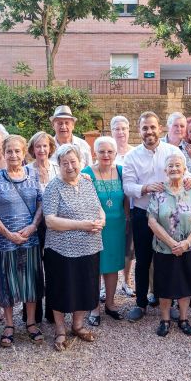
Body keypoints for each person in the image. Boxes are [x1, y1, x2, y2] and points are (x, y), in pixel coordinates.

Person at [123, 111, 191, 321]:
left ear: (160, 129)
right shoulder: (132, 156)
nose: (149, 131)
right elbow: (127, 186)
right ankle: (141, 303)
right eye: (145, 128)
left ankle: (168, 300)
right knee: (143, 259)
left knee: (167, 258)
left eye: (152, 127)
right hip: (143, 213)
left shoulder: (172, 151)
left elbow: (185, 172)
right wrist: (144, 188)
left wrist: (189, 179)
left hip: (170, 214)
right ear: (140, 131)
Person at [43, 144, 105, 350]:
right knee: (61, 288)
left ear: (80, 163)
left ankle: (78, 325)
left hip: (89, 247)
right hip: (62, 250)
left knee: (84, 287)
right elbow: (50, 221)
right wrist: (82, 225)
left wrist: (101, 221)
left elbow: (99, 209)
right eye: (64, 163)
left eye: (73, 162)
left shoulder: (88, 183)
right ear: (58, 165)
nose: (70, 167)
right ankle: (60, 330)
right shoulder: (54, 187)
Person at [0, 135, 44, 346]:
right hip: (6, 241)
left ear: (24, 152)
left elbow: (40, 204)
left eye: (17, 151)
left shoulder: (33, 174)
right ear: (3, 152)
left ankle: (30, 323)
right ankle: (9, 325)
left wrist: (33, 226)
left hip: (30, 238)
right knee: (7, 283)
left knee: (30, 281)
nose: (13, 155)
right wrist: (8, 234)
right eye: (9, 151)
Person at [147, 151, 191, 337]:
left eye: (177, 165)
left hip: (190, 247)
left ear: (184, 169)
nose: (174, 168)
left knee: (185, 283)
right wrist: (172, 243)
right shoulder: (158, 191)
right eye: (170, 166)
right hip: (165, 248)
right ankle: (164, 320)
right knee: (164, 285)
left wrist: (186, 243)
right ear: (165, 170)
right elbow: (152, 221)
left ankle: (183, 318)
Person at [83, 136, 128, 325]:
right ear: (95, 153)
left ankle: (110, 303)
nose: (106, 155)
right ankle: (93, 307)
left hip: (117, 227)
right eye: (101, 151)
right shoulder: (86, 173)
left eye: (110, 151)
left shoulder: (121, 171)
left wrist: (127, 219)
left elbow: (127, 197)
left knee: (112, 266)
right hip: (95, 227)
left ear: (116, 153)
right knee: (94, 266)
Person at [24, 131, 60, 326]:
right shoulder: (26, 170)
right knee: (33, 269)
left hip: (55, 225)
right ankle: (33, 315)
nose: (42, 149)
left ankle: (54, 313)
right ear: (32, 149)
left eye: (45, 146)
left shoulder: (57, 168)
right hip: (32, 224)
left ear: (50, 148)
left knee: (54, 268)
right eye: (38, 146)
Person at [110, 115, 135, 296]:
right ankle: (105, 286)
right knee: (108, 245)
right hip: (111, 208)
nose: (120, 132)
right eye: (117, 129)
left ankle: (126, 282)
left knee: (129, 247)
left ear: (128, 131)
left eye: (123, 129)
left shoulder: (135, 152)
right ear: (112, 132)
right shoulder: (108, 152)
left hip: (132, 207)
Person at [163, 112, 191, 177]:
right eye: (175, 125)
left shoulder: (190, 149)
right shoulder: (157, 145)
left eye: (182, 126)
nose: (179, 129)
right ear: (168, 127)